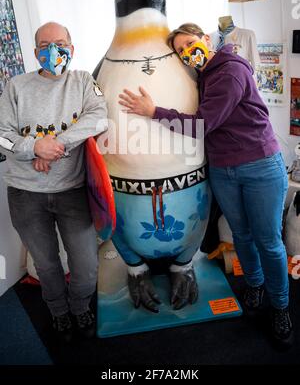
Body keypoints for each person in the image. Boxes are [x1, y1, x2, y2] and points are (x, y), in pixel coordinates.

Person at [118, 22, 293, 349]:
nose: (187, 52)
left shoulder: (230, 72)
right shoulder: (203, 75)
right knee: (241, 234)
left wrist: (153, 111)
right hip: (224, 169)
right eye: (181, 50)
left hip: (259, 166)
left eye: (190, 43)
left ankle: (281, 305)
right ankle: (254, 286)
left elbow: (203, 124)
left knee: (268, 240)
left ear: (205, 38)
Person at [0, 22, 108, 342]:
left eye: (60, 43)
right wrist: (33, 147)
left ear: (71, 48)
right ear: (35, 53)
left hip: (72, 191)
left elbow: (99, 117)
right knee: (46, 265)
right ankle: (59, 312)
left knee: (87, 266)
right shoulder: (15, 87)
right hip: (25, 194)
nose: (53, 50)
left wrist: (54, 145)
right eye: (45, 45)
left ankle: (79, 306)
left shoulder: (83, 81)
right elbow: (2, 137)